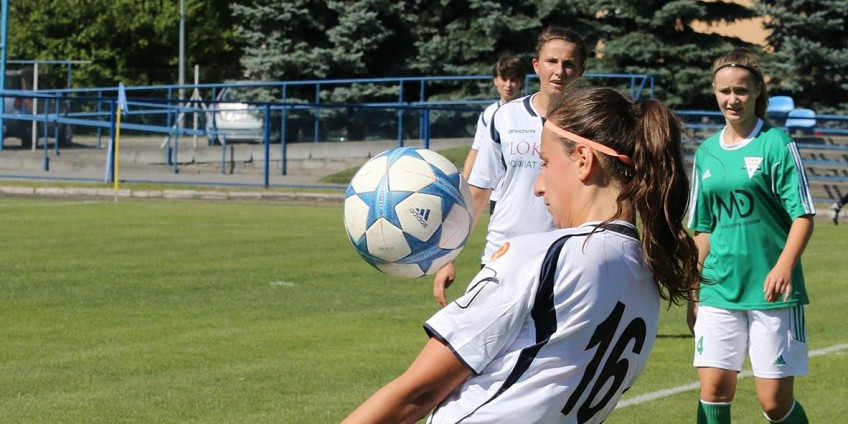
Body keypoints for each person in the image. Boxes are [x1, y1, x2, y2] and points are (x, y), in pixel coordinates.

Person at [342, 85, 701, 424]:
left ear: (583, 159)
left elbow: (416, 394)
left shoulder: (545, 256)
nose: (538, 185)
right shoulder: (647, 279)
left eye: (544, 162)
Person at [687, 47, 815, 424]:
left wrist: (784, 266)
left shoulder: (777, 144)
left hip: (772, 292)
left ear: (758, 90)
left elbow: (803, 215)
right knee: (713, 391)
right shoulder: (706, 153)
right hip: (719, 290)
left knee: (773, 404)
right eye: (724, 91)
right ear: (714, 92)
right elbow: (703, 228)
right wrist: (693, 290)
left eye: (741, 90)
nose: (732, 99)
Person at [433, 25, 587, 307]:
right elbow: (478, 193)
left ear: (580, 71)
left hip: (564, 264)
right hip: (501, 259)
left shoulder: (590, 126)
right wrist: (447, 256)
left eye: (569, 64)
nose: (559, 71)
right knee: (481, 350)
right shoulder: (505, 118)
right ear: (536, 65)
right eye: (552, 61)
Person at [462, 55, 527, 214]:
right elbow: (476, 151)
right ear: (495, 80)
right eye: (504, 78)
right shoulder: (488, 114)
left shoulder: (531, 111)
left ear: (521, 82)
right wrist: (462, 185)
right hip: (498, 196)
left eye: (513, 79)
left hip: (526, 196)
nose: (508, 85)